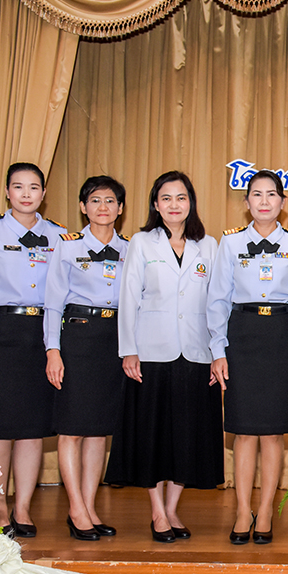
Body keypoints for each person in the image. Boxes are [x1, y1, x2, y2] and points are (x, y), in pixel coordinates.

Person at [105, 170, 223, 542]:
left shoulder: (209, 245)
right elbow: (129, 298)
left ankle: (173, 510)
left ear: (191, 203)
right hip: (151, 352)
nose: (175, 205)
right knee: (151, 435)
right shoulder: (141, 243)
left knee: (186, 437)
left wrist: (218, 351)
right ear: (156, 205)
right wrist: (129, 350)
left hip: (196, 351)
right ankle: (157, 511)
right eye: (167, 198)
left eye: (181, 198)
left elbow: (216, 303)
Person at [0, 162, 65, 538]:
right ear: (7, 191)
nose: (26, 194)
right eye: (18, 187)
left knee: (32, 429)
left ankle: (23, 506)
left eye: (33, 187)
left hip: (41, 334)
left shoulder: (58, 236)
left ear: (42, 194)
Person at [208, 170, 288, 545]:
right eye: (256, 194)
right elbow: (217, 299)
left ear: (282, 203)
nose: (264, 201)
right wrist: (217, 350)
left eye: (271, 194)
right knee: (243, 431)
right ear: (246, 202)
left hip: (282, 339)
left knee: (273, 433)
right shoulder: (230, 243)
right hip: (242, 335)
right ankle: (241, 509)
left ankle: (265, 509)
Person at [44, 176, 128, 540]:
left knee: (99, 431)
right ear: (83, 207)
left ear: (121, 208)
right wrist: (52, 350)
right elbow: (51, 303)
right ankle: (75, 508)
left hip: (114, 340)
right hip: (77, 336)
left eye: (110, 201)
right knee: (73, 429)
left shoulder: (131, 249)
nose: (103, 207)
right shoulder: (66, 246)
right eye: (95, 200)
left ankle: (91, 506)